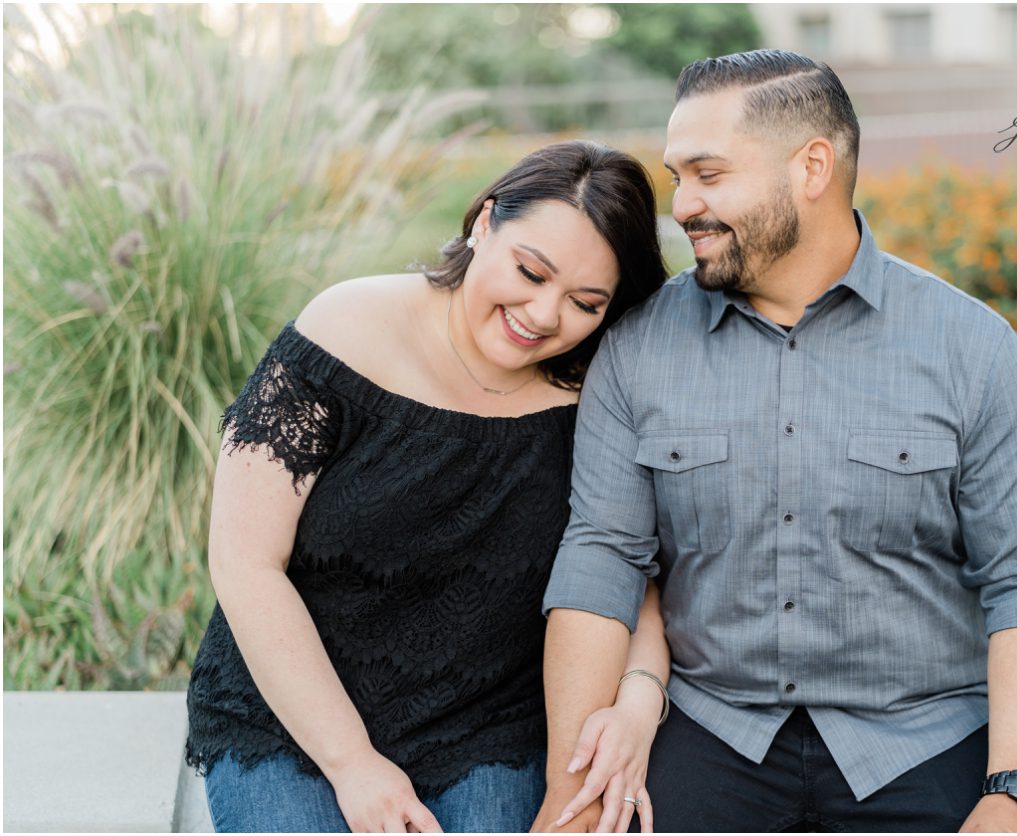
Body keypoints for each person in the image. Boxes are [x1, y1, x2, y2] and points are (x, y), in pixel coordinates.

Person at [536, 50, 1017, 833]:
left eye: (709, 174)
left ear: (812, 167)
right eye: (676, 177)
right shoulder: (638, 348)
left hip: (921, 737)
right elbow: (604, 560)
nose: (683, 205)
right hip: (712, 726)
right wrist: (575, 784)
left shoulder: (972, 349)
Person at [184, 140, 671, 833]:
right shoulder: (342, 330)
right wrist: (353, 763)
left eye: (585, 302)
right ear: (484, 223)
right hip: (292, 718)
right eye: (530, 272)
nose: (543, 315)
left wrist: (636, 704)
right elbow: (245, 563)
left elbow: (631, 576)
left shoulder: (596, 393)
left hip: (487, 730)